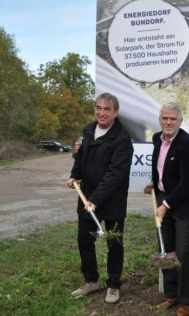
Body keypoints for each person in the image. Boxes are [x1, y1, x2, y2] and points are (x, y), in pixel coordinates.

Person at [67, 92, 134, 304]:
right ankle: (91, 281)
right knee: (84, 240)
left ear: (115, 112)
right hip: (87, 199)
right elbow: (81, 157)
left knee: (114, 243)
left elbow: (115, 174)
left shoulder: (122, 138)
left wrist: (95, 199)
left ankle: (113, 285)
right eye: (98, 108)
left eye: (107, 109)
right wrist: (74, 175)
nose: (101, 113)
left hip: (110, 201)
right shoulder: (88, 130)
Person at [144, 103, 189, 316]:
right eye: (165, 118)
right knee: (165, 248)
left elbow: (187, 182)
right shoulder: (157, 139)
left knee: (182, 253)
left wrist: (165, 205)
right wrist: (155, 183)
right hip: (164, 200)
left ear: (180, 121)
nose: (168, 122)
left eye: (173, 119)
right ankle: (171, 295)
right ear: (160, 120)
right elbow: (161, 168)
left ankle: (185, 301)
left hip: (184, 206)